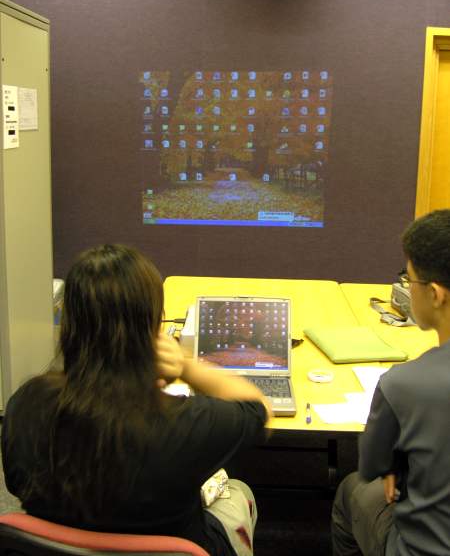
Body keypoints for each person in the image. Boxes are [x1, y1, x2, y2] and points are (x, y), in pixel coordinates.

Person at [1, 244, 272, 556]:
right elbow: (258, 408)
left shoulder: (25, 404)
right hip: (185, 544)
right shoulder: (185, 423)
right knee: (237, 492)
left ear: (70, 323)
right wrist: (186, 367)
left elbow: (17, 486)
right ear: (153, 329)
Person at [331, 209, 450, 556]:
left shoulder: (402, 384)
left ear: (436, 294)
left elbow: (372, 467)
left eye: (408, 280)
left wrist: (395, 463)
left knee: (352, 490)